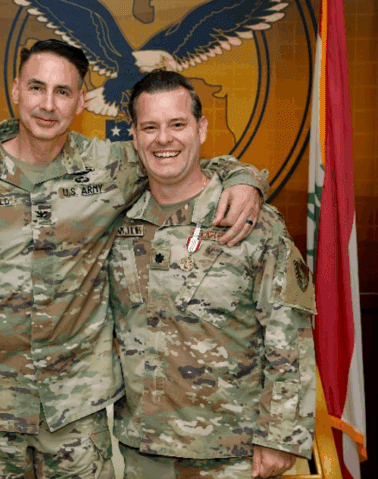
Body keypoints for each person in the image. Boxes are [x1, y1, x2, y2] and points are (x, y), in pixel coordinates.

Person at [0, 39, 268, 478]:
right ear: (16, 89)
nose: (48, 105)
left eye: (63, 92)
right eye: (37, 88)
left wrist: (245, 180)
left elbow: (175, 155)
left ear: (80, 102)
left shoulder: (110, 167)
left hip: (78, 416)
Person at [107, 70, 316, 478]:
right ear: (133, 135)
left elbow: (289, 336)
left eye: (178, 124)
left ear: (201, 128)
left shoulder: (250, 222)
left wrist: (279, 438)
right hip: (141, 451)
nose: (163, 139)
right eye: (150, 127)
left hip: (232, 456)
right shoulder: (116, 222)